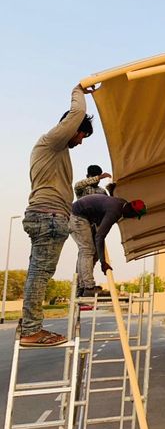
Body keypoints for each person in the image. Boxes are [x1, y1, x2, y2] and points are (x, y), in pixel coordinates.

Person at [21, 84, 94, 347]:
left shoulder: (56, 150)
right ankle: (31, 330)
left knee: (37, 273)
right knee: (40, 273)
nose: (81, 141)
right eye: (82, 135)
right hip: (48, 217)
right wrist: (80, 90)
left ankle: (28, 324)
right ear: (71, 128)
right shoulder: (52, 141)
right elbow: (77, 112)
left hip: (48, 217)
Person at [69, 194, 147, 297]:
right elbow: (100, 237)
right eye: (134, 215)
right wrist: (103, 263)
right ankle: (88, 288)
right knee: (87, 250)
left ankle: (82, 287)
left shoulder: (122, 203)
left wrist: (101, 258)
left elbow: (99, 229)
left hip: (85, 217)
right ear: (132, 211)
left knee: (94, 253)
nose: (132, 218)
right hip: (77, 217)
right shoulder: (115, 211)